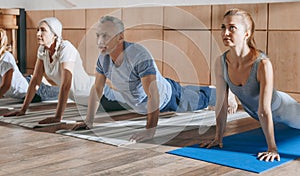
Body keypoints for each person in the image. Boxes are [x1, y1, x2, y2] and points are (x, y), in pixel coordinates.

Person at [73, 16, 238, 142]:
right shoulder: (103, 58)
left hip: (167, 97)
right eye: (98, 35)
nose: (100, 41)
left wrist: (149, 131)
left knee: (197, 101)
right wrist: (89, 121)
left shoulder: (138, 55)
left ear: (120, 37)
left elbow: (154, 95)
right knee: (190, 93)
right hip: (142, 103)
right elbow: (97, 89)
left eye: (106, 36)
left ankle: (222, 94)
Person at [200, 8, 300, 162]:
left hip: (283, 109)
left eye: (232, 28)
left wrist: (272, 148)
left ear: (246, 34)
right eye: (223, 27)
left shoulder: (262, 64)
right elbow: (221, 104)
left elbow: (264, 110)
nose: (225, 33)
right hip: (255, 113)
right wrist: (217, 138)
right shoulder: (221, 62)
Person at [3, 17, 96, 124]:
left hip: (97, 93)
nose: (38, 33)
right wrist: (23, 109)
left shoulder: (66, 48)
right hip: (81, 101)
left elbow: (66, 85)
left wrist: (58, 117)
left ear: (54, 34)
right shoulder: (43, 50)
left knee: (119, 102)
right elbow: (35, 81)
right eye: (37, 30)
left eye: (43, 30)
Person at [0, 28, 59, 102]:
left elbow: (6, 86)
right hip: (24, 84)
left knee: (62, 92)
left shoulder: (6, 58)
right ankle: (38, 79)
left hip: (33, 91)